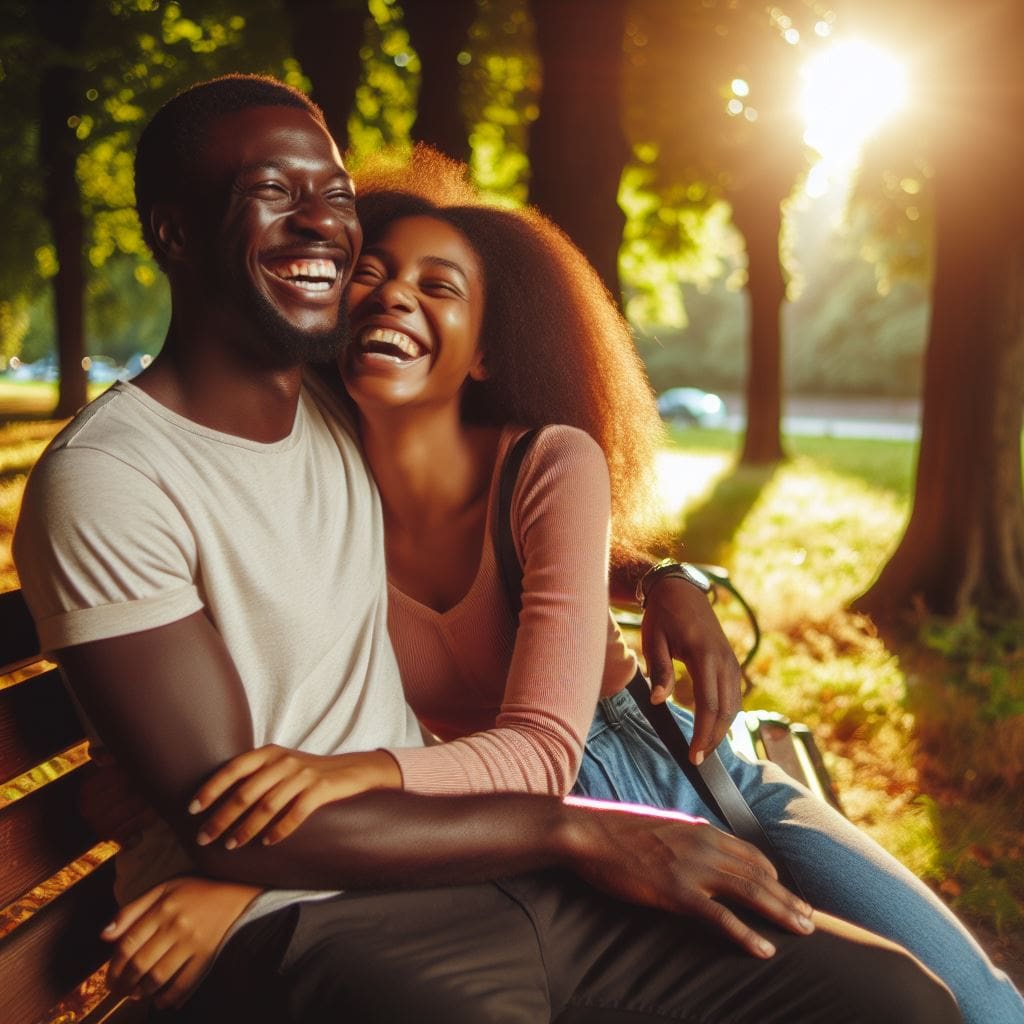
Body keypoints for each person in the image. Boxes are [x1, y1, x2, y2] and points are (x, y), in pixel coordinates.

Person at [12, 74, 962, 1024]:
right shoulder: (121, 476)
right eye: (273, 191)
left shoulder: (340, 416)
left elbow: (506, 512)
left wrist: (660, 577)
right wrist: (570, 831)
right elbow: (228, 817)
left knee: (904, 997)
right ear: (173, 232)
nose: (321, 227)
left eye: (334, 197)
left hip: (510, 838)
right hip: (348, 905)